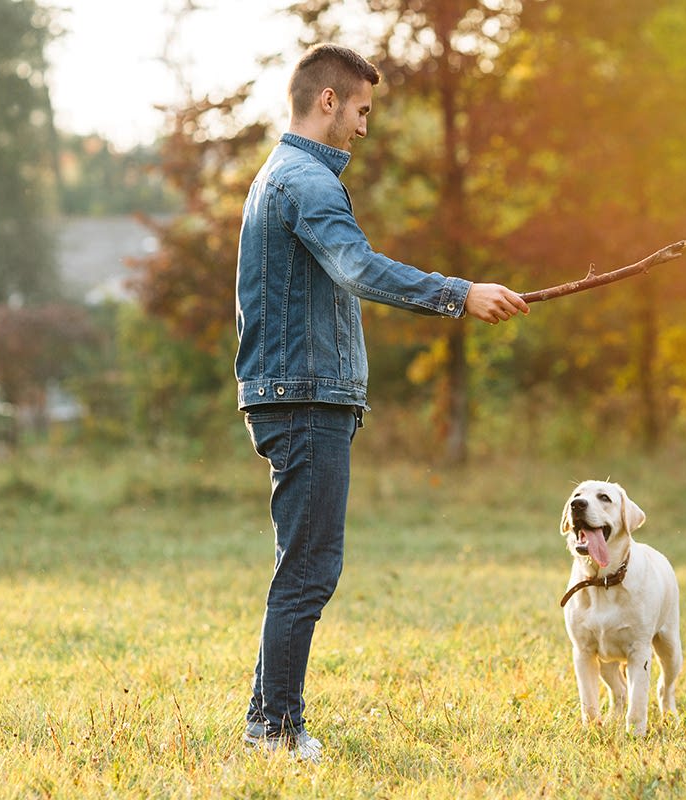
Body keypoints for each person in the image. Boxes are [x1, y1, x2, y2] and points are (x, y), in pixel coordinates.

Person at [234, 43, 529, 762]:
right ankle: (275, 731)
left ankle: (264, 719)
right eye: (361, 110)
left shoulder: (285, 176)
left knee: (299, 565)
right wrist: (459, 293)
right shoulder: (305, 181)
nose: (365, 126)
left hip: (298, 395)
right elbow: (357, 268)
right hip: (305, 399)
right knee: (309, 569)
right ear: (327, 101)